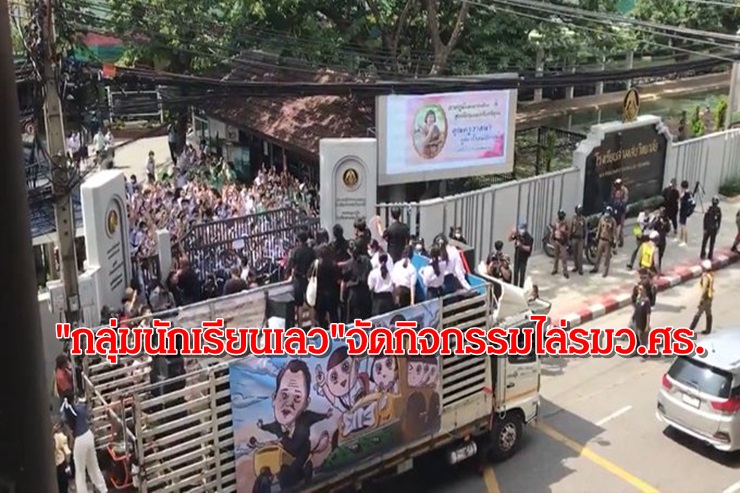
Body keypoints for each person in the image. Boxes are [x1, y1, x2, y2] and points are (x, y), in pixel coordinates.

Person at [60, 398, 107, 493]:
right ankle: (103, 489)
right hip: (88, 435)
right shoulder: (80, 407)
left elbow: (66, 422)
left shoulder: (67, 411)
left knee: (80, 472)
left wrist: (71, 436)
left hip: (79, 439)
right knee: (94, 466)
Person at [287, 231, 317, 321]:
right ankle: (313, 324)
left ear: (298, 240)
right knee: (310, 303)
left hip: (298, 279)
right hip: (309, 279)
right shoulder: (311, 251)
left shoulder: (295, 251)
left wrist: (291, 276)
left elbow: (292, 266)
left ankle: (300, 325)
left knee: (299, 305)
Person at [341, 241, 372, 322]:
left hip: (353, 294)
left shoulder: (348, 264)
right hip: (366, 293)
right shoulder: (367, 260)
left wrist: (342, 296)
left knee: (354, 320)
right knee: (367, 319)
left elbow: (344, 281)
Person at [315, 244, 341, 325]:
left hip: (320, 294)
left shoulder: (316, 265)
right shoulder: (334, 264)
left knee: (321, 317)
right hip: (332, 293)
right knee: (334, 315)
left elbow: (310, 277)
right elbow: (338, 279)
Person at [689, 259, 714, 335]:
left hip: (706, 297)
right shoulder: (710, 275)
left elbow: (704, 288)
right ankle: (708, 329)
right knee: (708, 312)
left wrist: (701, 299)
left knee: (698, 313)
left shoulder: (706, 276)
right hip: (710, 296)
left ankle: (690, 330)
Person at [591, 206, 617, 277]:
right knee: (598, 255)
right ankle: (595, 268)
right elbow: (599, 229)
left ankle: (605, 271)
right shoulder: (602, 219)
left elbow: (614, 232)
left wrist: (614, 241)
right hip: (601, 240)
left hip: (608, 241)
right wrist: (596, 238)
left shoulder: (613, 221)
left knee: (606, 257)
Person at [509, 222, 533, 286]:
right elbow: (510, 239)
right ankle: (515, 285)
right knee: (515, 272)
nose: (520, 230)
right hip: (517, 256)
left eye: (521, 228)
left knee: (522, 273)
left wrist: (521, 246)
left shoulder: (529, 237)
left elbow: (529, 249)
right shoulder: (518, 235)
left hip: (524, 258)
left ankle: (521, 286)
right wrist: (512, 233)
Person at [631, 283, 652, 352]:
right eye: (638, 289)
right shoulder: (638, 298)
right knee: (635, 336)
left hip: (643, 323)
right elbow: (635, 308)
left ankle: (645, 351)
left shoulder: (646, 301)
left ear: (644, 290)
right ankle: (636, 349)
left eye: (640, 289)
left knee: (643, 339)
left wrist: (647, 326)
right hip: (637, 321)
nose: (639, 291)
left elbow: (648, 314)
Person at [700, 196, 722, 260]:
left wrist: (704, 228)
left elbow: (705, 219)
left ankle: (705, 254)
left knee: (706, 242)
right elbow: (719, 220)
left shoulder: (713, 209)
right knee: (710, 242)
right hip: (712, 228)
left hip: (710, 228)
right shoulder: (715, 209)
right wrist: (718, 228)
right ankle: (708, 255)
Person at [53, 419, 71, 493]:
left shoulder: (59, 437)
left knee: (62, 487)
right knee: (63, 487)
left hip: (59, 465)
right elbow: (67, 453)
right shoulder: (59, 437)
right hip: (60, 465)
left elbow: (67, 452)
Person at [551, 209, 570, 278]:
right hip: (557, 240)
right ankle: (555, 269)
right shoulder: (556, 221)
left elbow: (568, 232)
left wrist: (564, 232)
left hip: (562, 242)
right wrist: (553, 236)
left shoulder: (565, 223)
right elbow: (554, 229)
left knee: (564, 257)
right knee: (556, 256)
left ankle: (565, 271)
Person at [611, 178, 629, 247]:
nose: (617, 186)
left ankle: (620, 239)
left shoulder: (624, 190)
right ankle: (618, 238)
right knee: (615, 224)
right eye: (616, 184)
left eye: (618, 184)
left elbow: (625, 199)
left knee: (620, 225)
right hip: (615, 208)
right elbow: (612, 197)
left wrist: (621, 203)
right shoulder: (614, 189)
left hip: (622, 209)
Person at [569, 206, 587, 276]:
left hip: (580, 239)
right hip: (574, 238)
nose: (579, 211)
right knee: (574, 254)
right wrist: (569, 237)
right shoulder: (573, 218)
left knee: (580, 254)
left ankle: (580, 269)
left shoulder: (583, 219)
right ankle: (576, 266)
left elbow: (585, 229)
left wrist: (585, 240)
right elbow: (571, 228)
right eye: (578, 210)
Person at [678, 180, 694, 245]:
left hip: (685, 213)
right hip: (683, 211)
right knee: (681, 225)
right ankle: (680, 238)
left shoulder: (687, 194)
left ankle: (685, 241)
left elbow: (690, 204)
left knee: (684, 226)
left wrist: (688, 212)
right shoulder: (685, 194)